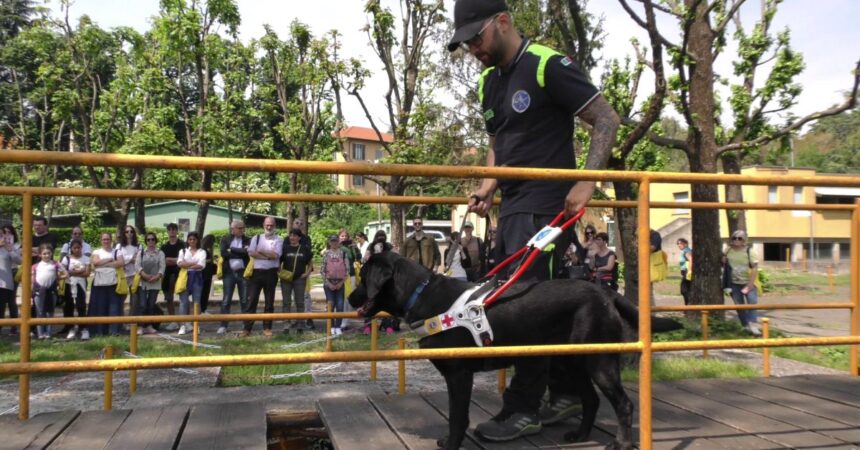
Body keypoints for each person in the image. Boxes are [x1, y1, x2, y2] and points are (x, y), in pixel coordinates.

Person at [453, 0, 620, 440]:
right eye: (466, 42)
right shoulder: (489, 81)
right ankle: (565, 393)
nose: (473, 48)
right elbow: (498, 141)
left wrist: (587, 182)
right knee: (530, 303)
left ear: (503, 21)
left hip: (548, 205)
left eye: (477, 37)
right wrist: (489, 184)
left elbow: (606, 118)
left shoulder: (548, 64)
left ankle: (522, 409)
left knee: (525, 308)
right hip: (511, 207)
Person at [242, 216, 282, 337]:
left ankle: (267, 328)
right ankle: (247, 329)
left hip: (271, 273)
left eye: (271, 225)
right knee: (252, 301)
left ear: (275, 226)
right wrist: (267, 255)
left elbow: (276, 255)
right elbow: (251, 252)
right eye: (267, 225)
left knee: (269, 302)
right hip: (256, 273)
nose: (269, 227)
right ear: (263, 225)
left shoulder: (279, 240)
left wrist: (261, 251)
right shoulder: (256, 237)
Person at [722, 230, 761, 336]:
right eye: (734, 238)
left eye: (739, 238)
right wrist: (723, 260)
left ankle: (753, 325)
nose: (736, 240)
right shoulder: (728, 250)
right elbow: (724, 262)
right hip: (733, 283)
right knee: (739, 306)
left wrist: (750, 284)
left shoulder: (749, 251)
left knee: (752, 304)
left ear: (744, 240)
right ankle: (745, 326)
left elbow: (754, 268)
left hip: (748, 282)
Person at [218, 220, 250, 334]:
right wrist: (240, 252)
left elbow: (247, 252)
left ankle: (246, 325)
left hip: (243, 273)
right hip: (229, 273)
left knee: (245, 299)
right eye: (240, 228)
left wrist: (232, 250)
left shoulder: (247, 240)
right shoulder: (225, 239)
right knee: (226, 300)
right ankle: (223, 325)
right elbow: (223, 253)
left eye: (243, 228)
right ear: (233, 229)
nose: (242, 230)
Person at [90, 233, 124, 336]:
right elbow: (95, 262)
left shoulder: (117, 251)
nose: (106, 241)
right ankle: (100, 331)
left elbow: (121, 263)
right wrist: (110, 260)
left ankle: (114, 331)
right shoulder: (97, 251)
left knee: (114, 308)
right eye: (104, 239)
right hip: (99, 285)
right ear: (101, 240)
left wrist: (104, 263)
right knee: (100, 307)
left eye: (108, 239)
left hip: (113, 283)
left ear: (111, 240)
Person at [280, 228, 313, 333]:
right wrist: (279, 272)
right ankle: (286, 325)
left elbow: (310, 263)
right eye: (291, 235)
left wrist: (307, 273)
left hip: (299, 279)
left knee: (300, 302)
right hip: (286, 279)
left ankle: (300, 325)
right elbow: (278, 261)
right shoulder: (285, 248)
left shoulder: (304, 249)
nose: (292, 237)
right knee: (286, 302)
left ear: (299, 237)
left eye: (295, 236)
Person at [32, 244, 67, 339]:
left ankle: (48, 333)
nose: (46, 255)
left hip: (51, 291)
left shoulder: (55, 264)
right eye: (44, 254)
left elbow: (66, 274)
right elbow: (32, 279)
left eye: (48, 253)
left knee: (49, 312)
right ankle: (40, 333)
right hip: (39, 291)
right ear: (40, 255)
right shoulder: (35, 266)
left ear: (52, 253)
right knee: (39, 312)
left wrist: (58, 278)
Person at [176, 231, 206, 336]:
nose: (192, 241)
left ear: (197, 240)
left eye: (194, 239)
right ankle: (183, 325)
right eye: (190, 239)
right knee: (183, 302)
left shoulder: (202, 252)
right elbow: (179, 263)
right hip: (185, 278)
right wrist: (193, 263)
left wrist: (187, 265)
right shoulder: (183, 251)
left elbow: (201, 265)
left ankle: (196, 325)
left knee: (196, 302)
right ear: (187, 240)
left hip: (197, 278)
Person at [60, 239, 91, 340]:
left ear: (81, 248)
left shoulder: (86, 258)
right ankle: (70, 328)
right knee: (69, 306)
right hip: (69, 285)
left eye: (78, 248)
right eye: (74, 248)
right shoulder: (66, 259)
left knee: (81, 306)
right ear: (71, 249)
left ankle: (83, 328)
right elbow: (63, 272)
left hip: (81, 285)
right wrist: (76, 272)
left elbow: (87, 273)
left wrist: (72, 272)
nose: (77, 250)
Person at [135, 232, 165, 335]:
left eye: (152, 239)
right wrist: (145, 275)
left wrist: (157, 276)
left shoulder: (160, 253)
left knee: (151, 305)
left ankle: (149, 326)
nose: (151, 241)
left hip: (155, 282)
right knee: (143, 305)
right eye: (148, 239)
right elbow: (137, 266)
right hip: (143, 282)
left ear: (155, 240)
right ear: (146, 241)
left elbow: (162, 267)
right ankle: (140, 326)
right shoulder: (141, 252)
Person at [321, 234, 349, 336]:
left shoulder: (343, 254)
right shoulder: (326, 254)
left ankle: (338, 326)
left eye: (336, 241)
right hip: (329, 283)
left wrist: (341, 283)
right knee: (331, 305)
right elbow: (322, 271)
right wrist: (328, 283)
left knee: (340, 306)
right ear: (329, 242)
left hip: (340, 283)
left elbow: (347, 270)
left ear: (339, 242)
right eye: (332, 241)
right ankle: (331, 326)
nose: (334, 243)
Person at [160, 223, 185, 331]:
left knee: (183, 298)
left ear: (177, 231)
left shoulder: (183, 245)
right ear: (167, 231)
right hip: (167, 275)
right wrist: (175, 260)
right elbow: (163, 261)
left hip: (180, 274)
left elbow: (183, 260)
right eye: (169, 229)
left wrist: (172, 260)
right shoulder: (164, 246)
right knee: (169, 298)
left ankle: (184, 322)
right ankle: (173, 321)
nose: (172, 231)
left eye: (174, 229)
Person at [115, 225, 140, 328]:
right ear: (123, 234)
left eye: (131, 231)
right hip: (123, 276)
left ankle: (131, 322)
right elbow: (119, 262)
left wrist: (126, 260)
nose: (129, 233)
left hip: (135, 275)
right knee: (121, 299)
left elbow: (138, 261)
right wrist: (130, 259)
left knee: (134, 300)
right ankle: (120, 322)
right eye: (126, 232)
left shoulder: (138, 246)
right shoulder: (119, 247)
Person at [338, 229, 362, 330]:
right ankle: (338, 320)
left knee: (347, 299)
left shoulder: (351, 247)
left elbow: (358, 258)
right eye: (342, 236)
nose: (344, 238)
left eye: (345, 236)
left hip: (350, 275)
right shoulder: (336, 246)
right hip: (339, 276)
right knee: (340, 300)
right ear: (339, 236)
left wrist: (355, 248)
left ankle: (345, 322)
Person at [0, 229, 22, 336]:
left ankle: (14, 328)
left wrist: (10, 250)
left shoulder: (8, 248)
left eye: (1, 235)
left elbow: (19, 261)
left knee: (10, 304)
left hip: (6, 284)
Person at [199, 234, 217, 314]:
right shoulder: (204, 251)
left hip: (208, 274)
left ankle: (203, 308)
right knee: (204, 292)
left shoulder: (206, 250)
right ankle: (202, 309)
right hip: (204, 274)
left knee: (205, 292)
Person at [677, 238, 692, 306]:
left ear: (685, 244)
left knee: (684, 290)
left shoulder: (686, 251)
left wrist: (689, 271)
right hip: (685, 272)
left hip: (687, 272)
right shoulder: (685, 251)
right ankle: (687, 305)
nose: (679, 245)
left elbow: (691, 260)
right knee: (686, 289)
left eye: (680, 243)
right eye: (678, 243)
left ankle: (688, 305)